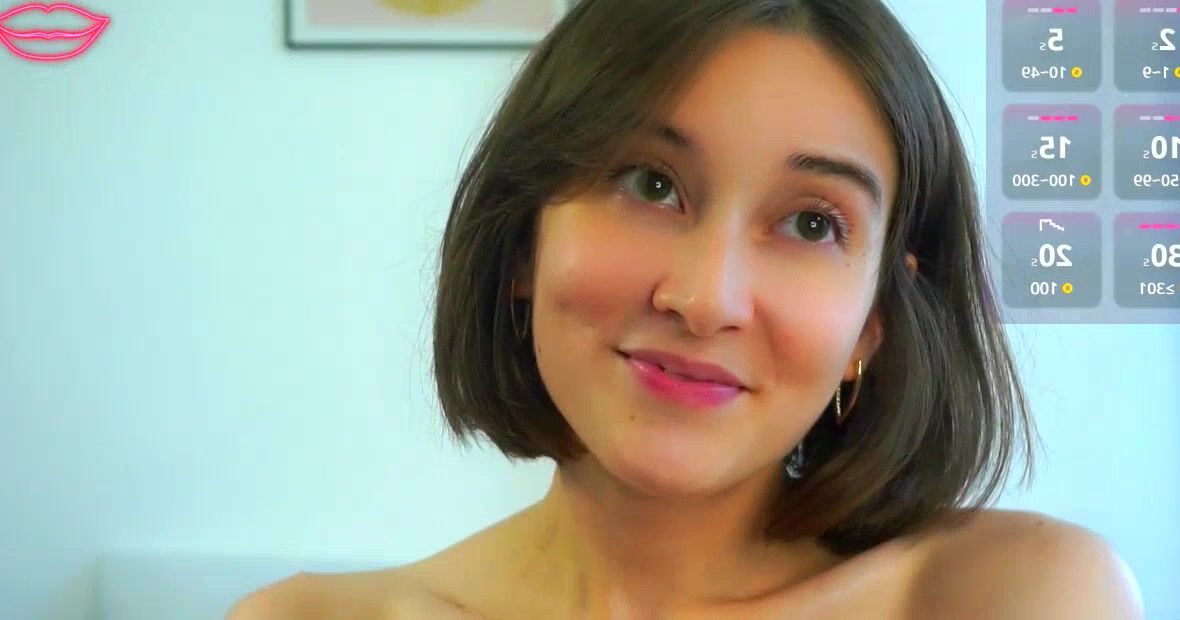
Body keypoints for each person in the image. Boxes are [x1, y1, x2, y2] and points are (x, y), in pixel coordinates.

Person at [230, 0, 1145, 617]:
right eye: (650, 183)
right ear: (522, 244)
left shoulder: (1016, 596)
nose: (707, 300)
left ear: (874, 322)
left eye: (812, 223)